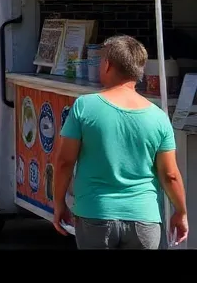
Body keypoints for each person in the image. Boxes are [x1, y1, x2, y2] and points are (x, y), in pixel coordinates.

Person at [53, 35, 188, 250]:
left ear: (107, 65)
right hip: (144, 218)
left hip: (95, 214)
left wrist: (59, 202)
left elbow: (64, 162)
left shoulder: (84, 107)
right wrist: (180, 212)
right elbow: (170, 175)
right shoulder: (159, 117)